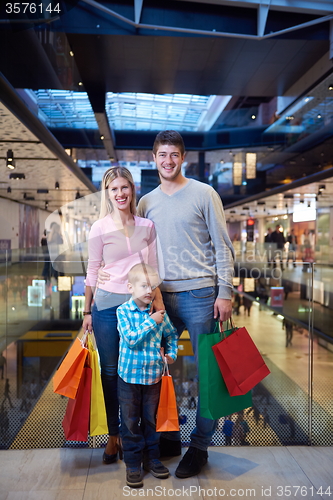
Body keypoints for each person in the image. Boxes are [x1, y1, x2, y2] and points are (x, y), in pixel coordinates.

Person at [98, 130, 235, 479]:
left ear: (183, 157)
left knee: (207, 375)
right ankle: (162, 439)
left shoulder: (205, 194)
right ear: (153, 158)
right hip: (158, 298)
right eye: (162, 154)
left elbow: (222, 245)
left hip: (202, 295)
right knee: (153, 371)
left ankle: (199, 447)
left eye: (174, 154)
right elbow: (135, 252)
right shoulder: (146, 202)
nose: (168, 160)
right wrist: (107, 277)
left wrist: (226, 291)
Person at [82, 166, 160, 465]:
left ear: (132, 189)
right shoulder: (99, 227)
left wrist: (158, 305)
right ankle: (114, 437)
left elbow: (153, 271)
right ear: (108, 193)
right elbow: (91, 271)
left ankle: (134, 437)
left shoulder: (147, 227)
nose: (120, 194)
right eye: (114, 189)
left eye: (124, 188)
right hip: (104, 307)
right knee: (111, 372)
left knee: (137, 372)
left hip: (138, 307)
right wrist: (87, 310)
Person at [116, 263, 178, 488]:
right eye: (143, 285)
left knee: (152, 421)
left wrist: (171, 354)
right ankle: (133, 462)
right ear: (130, 287)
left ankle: (152, 458)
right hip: (129, 379)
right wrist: (152, 321)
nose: (148, 290)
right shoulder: (123, 312)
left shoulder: (160, 313)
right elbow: (131, 339)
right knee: (130, 422)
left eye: (152, 286)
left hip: (153, 378)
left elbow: (172, 335)